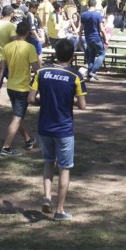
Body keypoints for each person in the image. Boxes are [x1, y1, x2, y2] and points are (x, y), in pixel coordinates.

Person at [29, 39, 87, 220]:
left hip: (44, 127)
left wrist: (45, 101)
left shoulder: (41, 72)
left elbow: (31, 99)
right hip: (63, 129)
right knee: (64, 168)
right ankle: (59, 210)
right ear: (72, 56)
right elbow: (82, 105)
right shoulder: (75, 76)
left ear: (55, 53)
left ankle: (47, 197)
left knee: (49, 162)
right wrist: (69, 100)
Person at [0, 21, 40, 157]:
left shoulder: (7, 47)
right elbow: (36, 69)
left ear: (17, 32)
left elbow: (1, 68)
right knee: (17, 117)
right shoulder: (30, 48)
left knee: (18, 115)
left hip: (11, 87)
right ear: (28, 33)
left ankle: (28, 140)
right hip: (22, 88)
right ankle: (6, 147)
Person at [78, 0, 107, 81]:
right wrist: (105, 39)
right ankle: (93, 71)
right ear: (95, 5)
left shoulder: (83, 15)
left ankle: (89, 76)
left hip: (88, 38)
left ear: (88, 5)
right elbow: (102, 29)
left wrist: (80, 38)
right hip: (96, 38)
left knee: (91, 56)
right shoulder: (97, 15)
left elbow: (81, 28)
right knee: (102, 54)